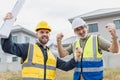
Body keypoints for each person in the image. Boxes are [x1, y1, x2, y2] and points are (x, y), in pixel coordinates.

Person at [1, 13, 82, 80]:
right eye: (42, 32)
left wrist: (76, 57)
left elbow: (65, 66)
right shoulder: (28, 48)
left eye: (47, 32)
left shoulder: (52, 55)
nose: (44, 34)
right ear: (37, 34)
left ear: (49, 35)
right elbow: (8, 47)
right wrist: (7, 25)